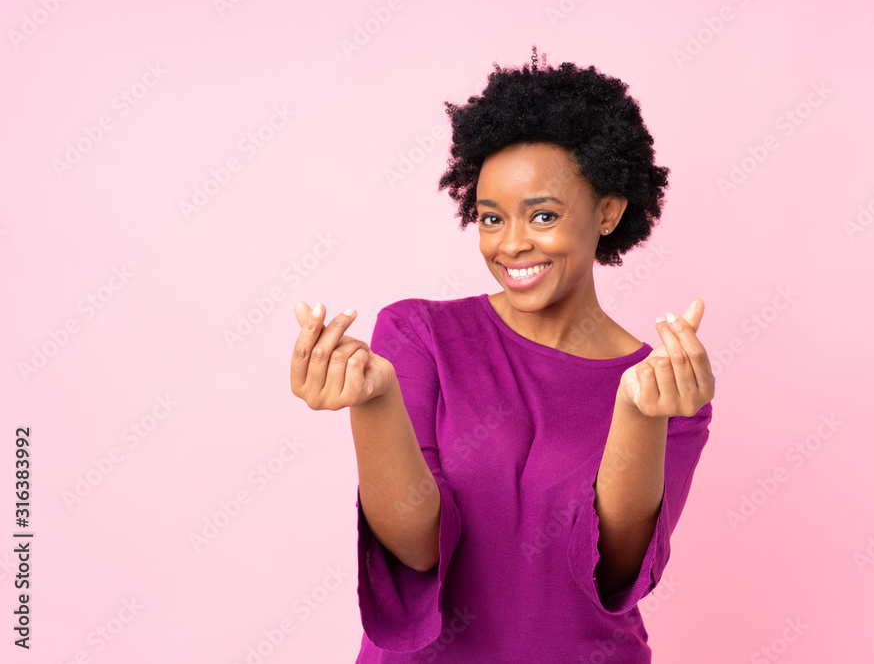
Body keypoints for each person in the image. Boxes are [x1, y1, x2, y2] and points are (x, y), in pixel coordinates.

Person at [289, 46, 715, 663]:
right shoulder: (420, 335)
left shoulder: (665, 386)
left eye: (542, 215)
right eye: (491, 219)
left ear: (608, 212)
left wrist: (639, 416)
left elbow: (615, 574)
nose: (511, 244)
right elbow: (417, 549)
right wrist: (374, 402)